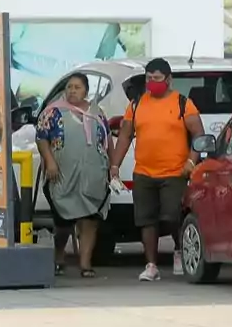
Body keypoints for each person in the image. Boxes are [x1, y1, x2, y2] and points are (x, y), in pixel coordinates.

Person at [109, 57, 206, 282]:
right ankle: (151, 265)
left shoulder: (183, 103)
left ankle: (180, 250)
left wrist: (191, 162)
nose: (152, 82)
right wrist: (115, 166)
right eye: (149, 78)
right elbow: (124, 137)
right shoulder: (136, 104)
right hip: (144, 172)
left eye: (157, 78)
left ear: (169, 80)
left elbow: (198, 135)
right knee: (146, 220)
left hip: (175, 173)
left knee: (173, 217)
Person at [34, 72, 111, 277]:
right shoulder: (53, 112)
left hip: (92, 175)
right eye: (69, 87)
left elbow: (107, 141)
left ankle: (85, 264)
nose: (72, 91)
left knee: (90, 219)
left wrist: (112, 168)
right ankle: (59, 255)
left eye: (77, 87)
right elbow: (41, 138)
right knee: (64, 221)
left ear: (86, 90)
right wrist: (50, 161)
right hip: (62, 176)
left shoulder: (97, 112)